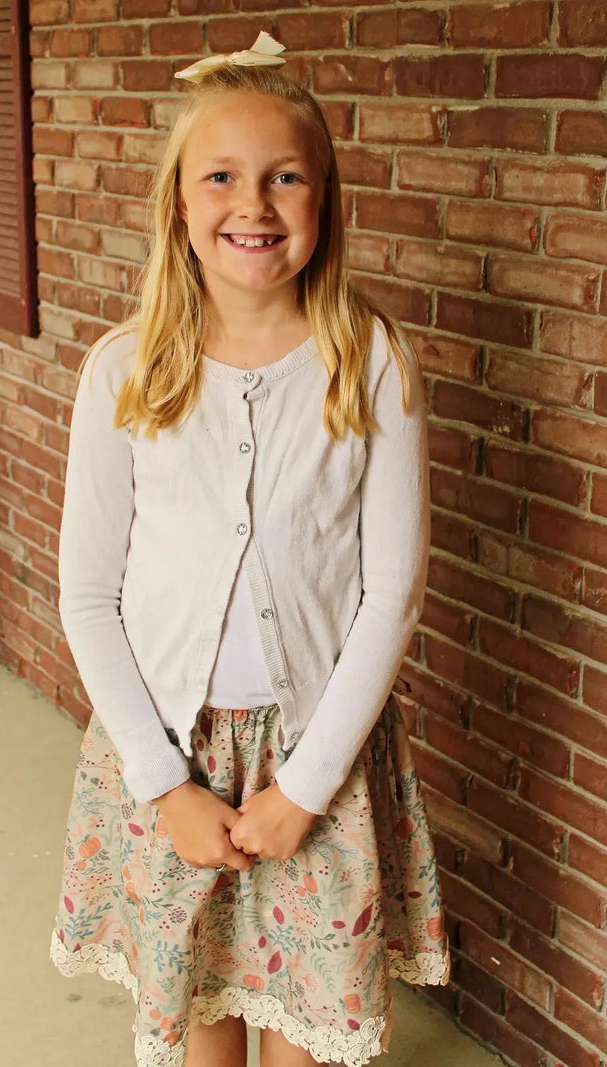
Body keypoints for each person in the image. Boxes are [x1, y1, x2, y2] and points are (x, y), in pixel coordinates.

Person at [50, 32, 449, 1067]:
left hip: (314, 756)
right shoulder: (123, 373)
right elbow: (89, 594)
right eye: (220, 176)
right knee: (200, 1014)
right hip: (168, 756)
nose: (253, 205)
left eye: (284, 177)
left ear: (323, 199)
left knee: (302, 1027)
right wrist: (164, 782)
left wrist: (306, 785)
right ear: (177, 204)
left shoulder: (370, 364)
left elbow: (389, 591)